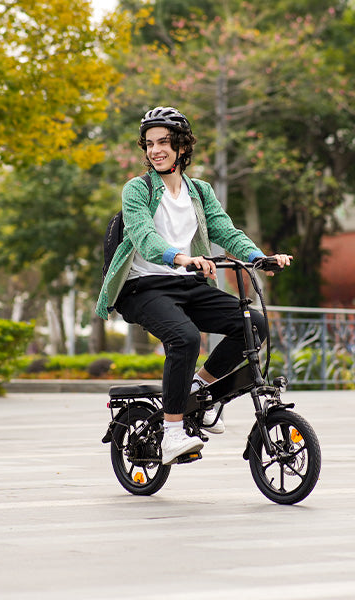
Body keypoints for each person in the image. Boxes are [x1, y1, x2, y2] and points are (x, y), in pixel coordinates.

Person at [95, 106, 292, 465]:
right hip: (143, 287)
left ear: (182, 147)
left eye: (163, 142)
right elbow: (144, 237)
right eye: (149, 144)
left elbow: (225, 231)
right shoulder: (137, 189)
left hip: (187, 283)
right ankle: (172, 432)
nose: (155, 150)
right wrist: (181, 258)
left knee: (253, 325)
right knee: (184, 338)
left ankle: (198, 390)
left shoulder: (199, 191)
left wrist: (258, 257)